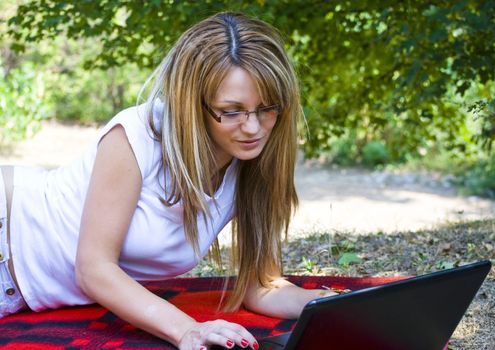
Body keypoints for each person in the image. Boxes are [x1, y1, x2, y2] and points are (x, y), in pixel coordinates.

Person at [0, 12, 336, 350]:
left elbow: (263, 288)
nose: (253, 127)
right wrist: (187, 330)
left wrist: (331, 303)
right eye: (231, 111)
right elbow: (94, 269)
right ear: (192, 105)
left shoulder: (253, 164)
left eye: (267, 107)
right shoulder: (138, 134)